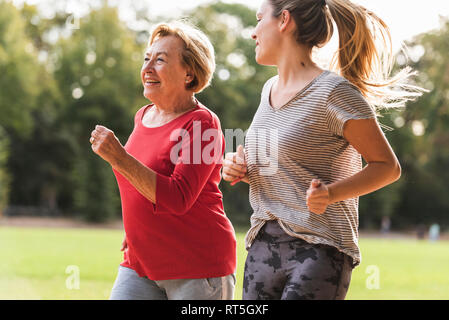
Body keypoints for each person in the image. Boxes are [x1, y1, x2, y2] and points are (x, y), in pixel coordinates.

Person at [223, 0, 421, 300]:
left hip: (318, 251)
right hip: (262, 246)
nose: (253, 32)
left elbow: (387, 166)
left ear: (284, 20)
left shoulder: (334, 92)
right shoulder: (268, 90)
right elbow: (282, 168)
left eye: (258, 18)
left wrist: (331, 194)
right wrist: (240, 168)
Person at [90, 21, 236, 300]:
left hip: (198, 267)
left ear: (189, 73)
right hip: (140, 262)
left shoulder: (202, 124)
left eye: (160, 60)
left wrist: (119, 158)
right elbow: (139, 185)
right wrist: (140, 229)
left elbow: (178, 197)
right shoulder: (142, 116)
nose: (148, 68)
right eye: (147, 58)